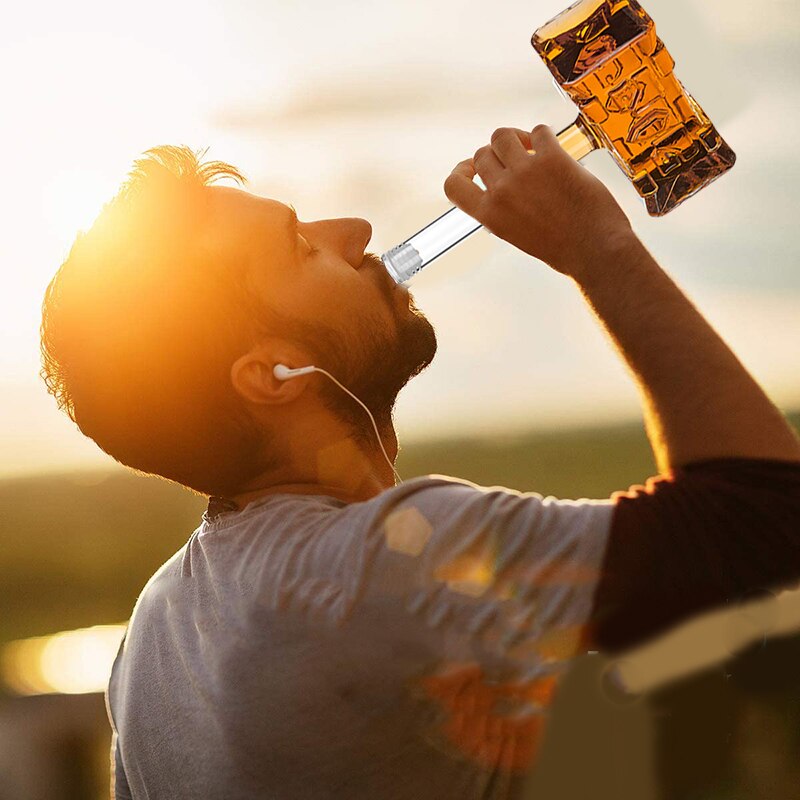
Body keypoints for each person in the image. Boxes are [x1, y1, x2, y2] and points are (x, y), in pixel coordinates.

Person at [40, 126, 800, 799]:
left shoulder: (154, 633)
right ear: (270, 374)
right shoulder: (378, 564)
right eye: (300, 246)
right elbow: (766, 522)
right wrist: (596, 246)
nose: (355, 230)